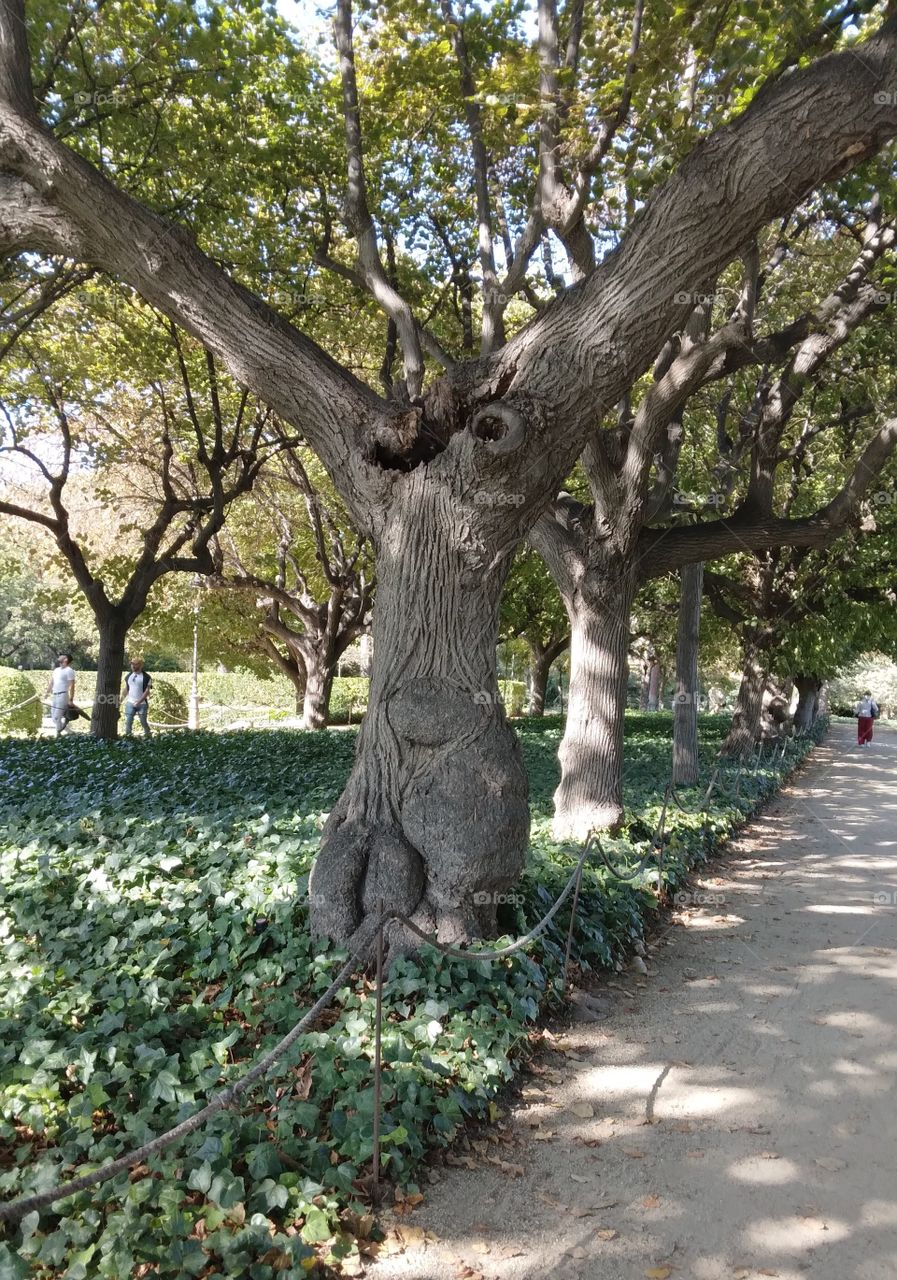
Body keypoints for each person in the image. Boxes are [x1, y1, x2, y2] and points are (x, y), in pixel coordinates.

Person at [45, 654, 76, 736]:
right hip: (55, 695)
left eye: (62, 656)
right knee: (54, 719)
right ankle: (71, 733)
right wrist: (47, 693)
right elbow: (52, 683)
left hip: (63, 695)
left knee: (56, 717)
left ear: (66, 660)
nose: (59, 657)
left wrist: (71, 699)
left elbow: (72, 686)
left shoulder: (69, 670)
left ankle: (58, 735)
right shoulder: (56, 670)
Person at [121, 657, 153, 738]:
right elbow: (126, 689)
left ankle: (148, 736)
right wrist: (120, 700)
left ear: (141, 665)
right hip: (130, 703)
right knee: (128, 722)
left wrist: (138, 702)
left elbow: (147, 691)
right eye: (132, 664)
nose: (133, 666)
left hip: (142, 704)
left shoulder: (147, 677)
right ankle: (128, 738)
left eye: (136, 664)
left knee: (143, 722)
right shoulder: (129, 676)